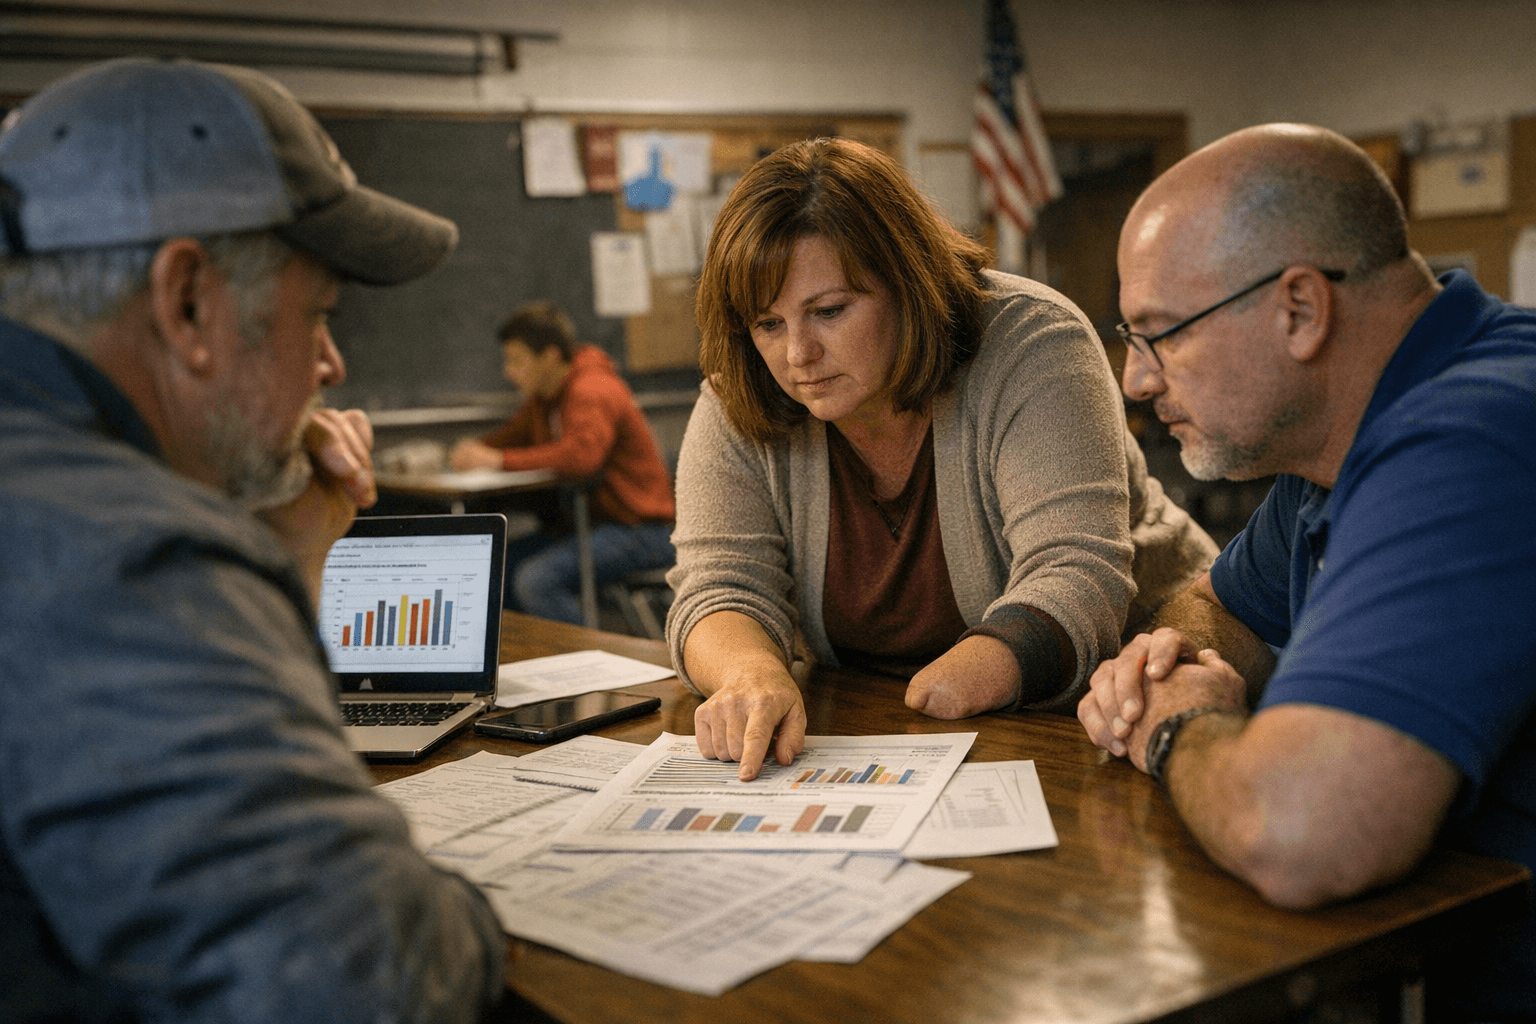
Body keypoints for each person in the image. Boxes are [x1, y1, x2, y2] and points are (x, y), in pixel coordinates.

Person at [0, 58, 507, 1022]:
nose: (332, 362)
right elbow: (367, 984)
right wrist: (457, 913)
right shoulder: (127, 555)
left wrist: (292, 554)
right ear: (188, 303)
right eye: (315, 314)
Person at [1076, 124, 1536, 1020]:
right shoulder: (1330, 441)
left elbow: (1299, 836)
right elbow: (1216, 607)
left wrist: (1177, 726)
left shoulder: (1474, 434)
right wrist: (1169, 658)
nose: (1134, 381)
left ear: (1299, 310)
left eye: (1160, 336)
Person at [670, 137, 1217, 782]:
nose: (797, 355)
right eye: (767, 324)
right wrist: (750, 674)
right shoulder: (740, 390)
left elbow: (1076, 571)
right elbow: (717, 585)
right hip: (918, 735)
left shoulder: (1033, 343)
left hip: (1138, 691)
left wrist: (966, 674)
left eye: (828, 311)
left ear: (905, 281)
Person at [449, 301, 675, 625]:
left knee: (535, 580)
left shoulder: (592, 389)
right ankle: (533, 663)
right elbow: (510, 436)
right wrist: (473, 451)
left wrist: (496, 461)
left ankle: (585, 666)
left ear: (550, 357)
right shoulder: (544, 398)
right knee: (489, 570)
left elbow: (580, 458)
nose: (508, 371)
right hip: (587, 527)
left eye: (517, 361)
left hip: (639, 531)